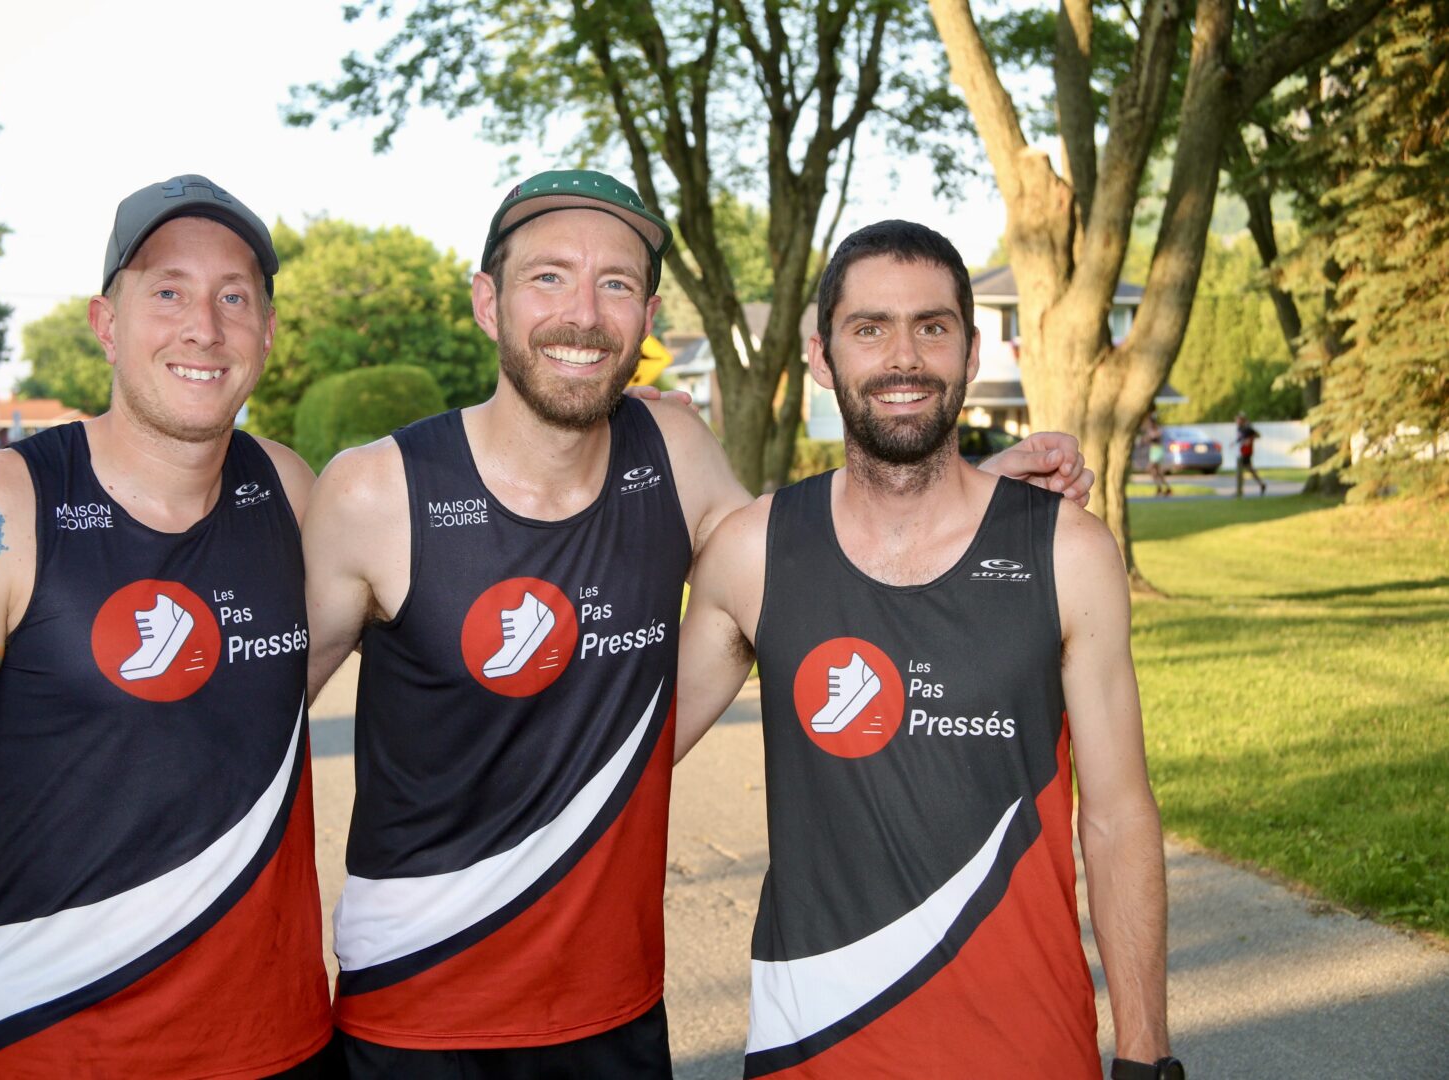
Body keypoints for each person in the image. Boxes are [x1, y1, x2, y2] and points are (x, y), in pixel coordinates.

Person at [301, 171, 1095, 1078]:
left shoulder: (672, 456)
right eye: (548, 277)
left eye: (617, 284)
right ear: (488, 301)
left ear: (646, 318)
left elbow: (818, 560)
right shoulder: (375, 492)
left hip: (614, 1014)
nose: (583, 312)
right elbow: (241, 728)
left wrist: (986, 493)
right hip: (417, 1012)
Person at [0, 175, 337, 1078]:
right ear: (104, 323)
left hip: (285, 1048)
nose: (205, 326)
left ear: (267, 332)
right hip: (56, 1048)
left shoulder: (290, 490)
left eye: (235, 297)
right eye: (167, 291)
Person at [673, 220, 1179, 1079]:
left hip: (1030, 1049)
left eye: (931, 327)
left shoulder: (1066, 552)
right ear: (821, 358)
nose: (903, 357)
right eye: (869, 328)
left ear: (971, 351)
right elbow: (621, 755)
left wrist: (1145, 1055)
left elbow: (1119, 816)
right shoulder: (756, 554)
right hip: (813, 1045)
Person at [1234, 412, 1267, 497]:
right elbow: (1241, 438)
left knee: (1243, 469)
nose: (1236, 421)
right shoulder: (1239, 429)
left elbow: (1257, 435)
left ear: (1242, 420)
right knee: (1248, 469)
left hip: (1247, 451)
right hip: (1243, 450)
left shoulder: (1247, 428)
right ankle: (1260, 484)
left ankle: (1239, 489)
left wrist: (1249, 439)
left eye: (1238, 419)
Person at [1142, 410, 1173, 497]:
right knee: (1156, 472)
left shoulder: (1158, 430)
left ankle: (1162, 488)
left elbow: (1156, 439)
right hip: (1153, 451)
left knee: (1150, 467)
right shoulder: (1150, 430)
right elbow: (1145, 440)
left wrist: (1150, 438)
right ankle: (1163, 488)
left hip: (1158, 451)